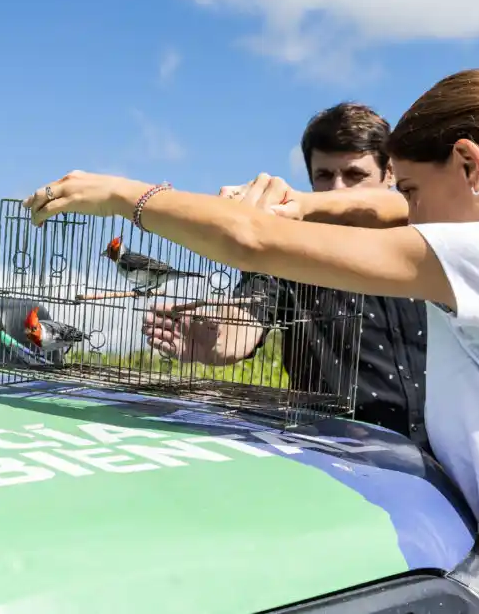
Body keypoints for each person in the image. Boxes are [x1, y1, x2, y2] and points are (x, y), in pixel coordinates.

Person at [24, 68, 479, 614]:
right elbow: (385, 204)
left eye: (418, 193)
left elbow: (252, 239)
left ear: (469, 164)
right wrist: (308, 202)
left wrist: (126, 196)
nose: (409, 216)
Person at [145, 103, 431, 446]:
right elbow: (251, 308)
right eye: (324, 176)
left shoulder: (432, 241)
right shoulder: (291, 250)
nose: (337, 190)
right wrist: (221, 334)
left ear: (390, 175)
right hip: (337, 455)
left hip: (447, 462)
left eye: (355, 176)